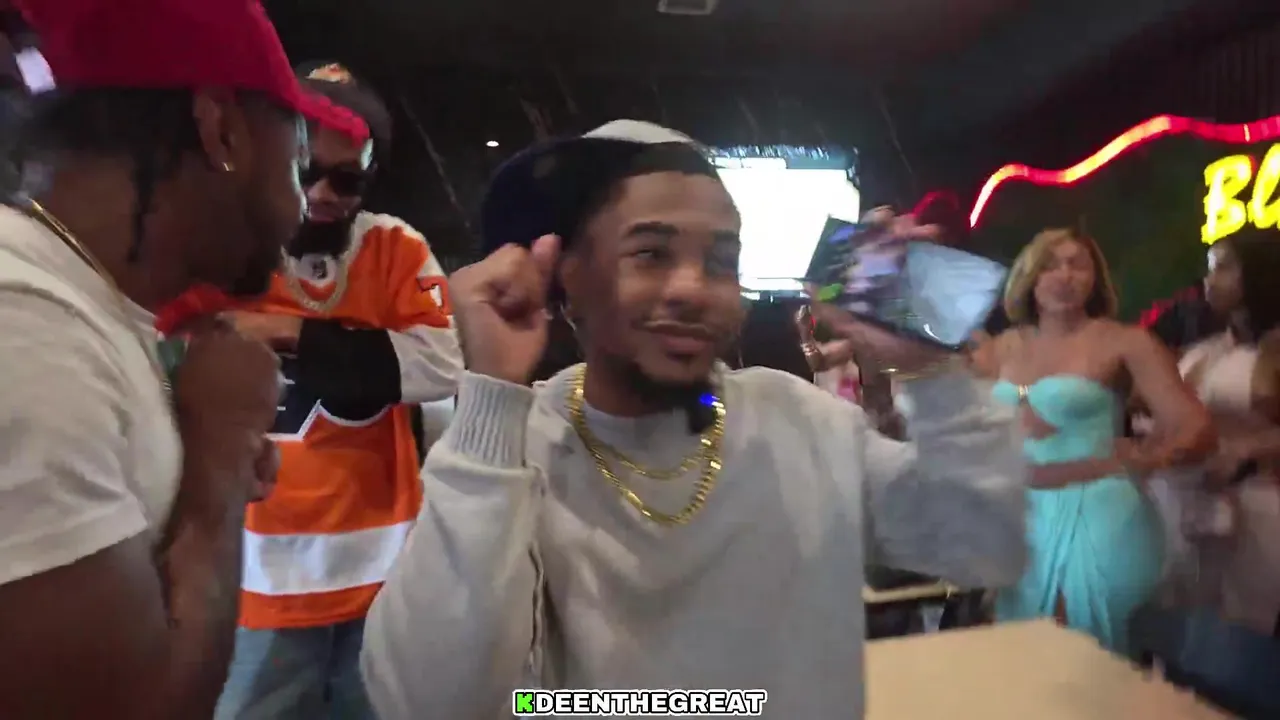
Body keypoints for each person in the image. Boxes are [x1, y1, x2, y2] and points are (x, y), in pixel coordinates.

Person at [360, 120, 1028, 718]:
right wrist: (490, 394)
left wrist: (935, 375)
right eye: (650, 253)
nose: (692, 288)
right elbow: (432, 702)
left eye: (721, 261)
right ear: (568, 279)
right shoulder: (516, 448)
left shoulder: (802, 422)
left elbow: (982, 545)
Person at [0, 0, 358, 717]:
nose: (301, 205)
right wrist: (220, 453)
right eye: (296, 163)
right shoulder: (24, 326)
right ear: (221, 130)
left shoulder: (78, 308)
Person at [213, 62, 462, 720]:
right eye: (307, 170)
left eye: (347, 180)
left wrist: (289, 329)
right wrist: (358, 350)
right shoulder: (222, 245)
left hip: (383, 572)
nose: (323, 193)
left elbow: (440, 368)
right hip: (253, 576)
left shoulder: (394, 247)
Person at [973, 227, 1214, 655]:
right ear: (1029, 276)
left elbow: (1195, 426)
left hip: (1100, 512)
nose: (1064, 275)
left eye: (1077, 265)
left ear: (1095, 279)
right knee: (1021, 662)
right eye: (1051, 265)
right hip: (1021, 519)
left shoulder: (1125, 341)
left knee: (1087, 657)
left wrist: (1149, 458)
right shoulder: (1000, 348)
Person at [1154, 229, 1280, 634]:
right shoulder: (1207, 348)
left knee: (1238, 639)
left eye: (1223, 268)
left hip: (1258, 513)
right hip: (1188, 510)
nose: (1210, 280)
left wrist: (1247, 449)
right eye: (1210, 269)